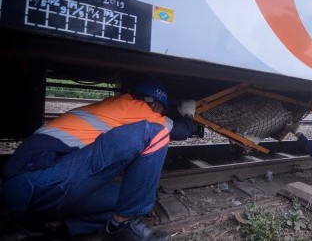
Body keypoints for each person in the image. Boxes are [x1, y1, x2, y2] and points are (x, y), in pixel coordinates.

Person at [0, 77, 196, 240]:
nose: (161, 115)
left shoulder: (114, 108)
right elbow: (176, 130)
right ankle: (123, 223)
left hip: (35, 186)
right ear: (153, 103)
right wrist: (189, 116)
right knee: (155, 133)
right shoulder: (132, 106)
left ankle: (47, 226)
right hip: (34, 180)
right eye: (162, 111)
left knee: (125, 198)